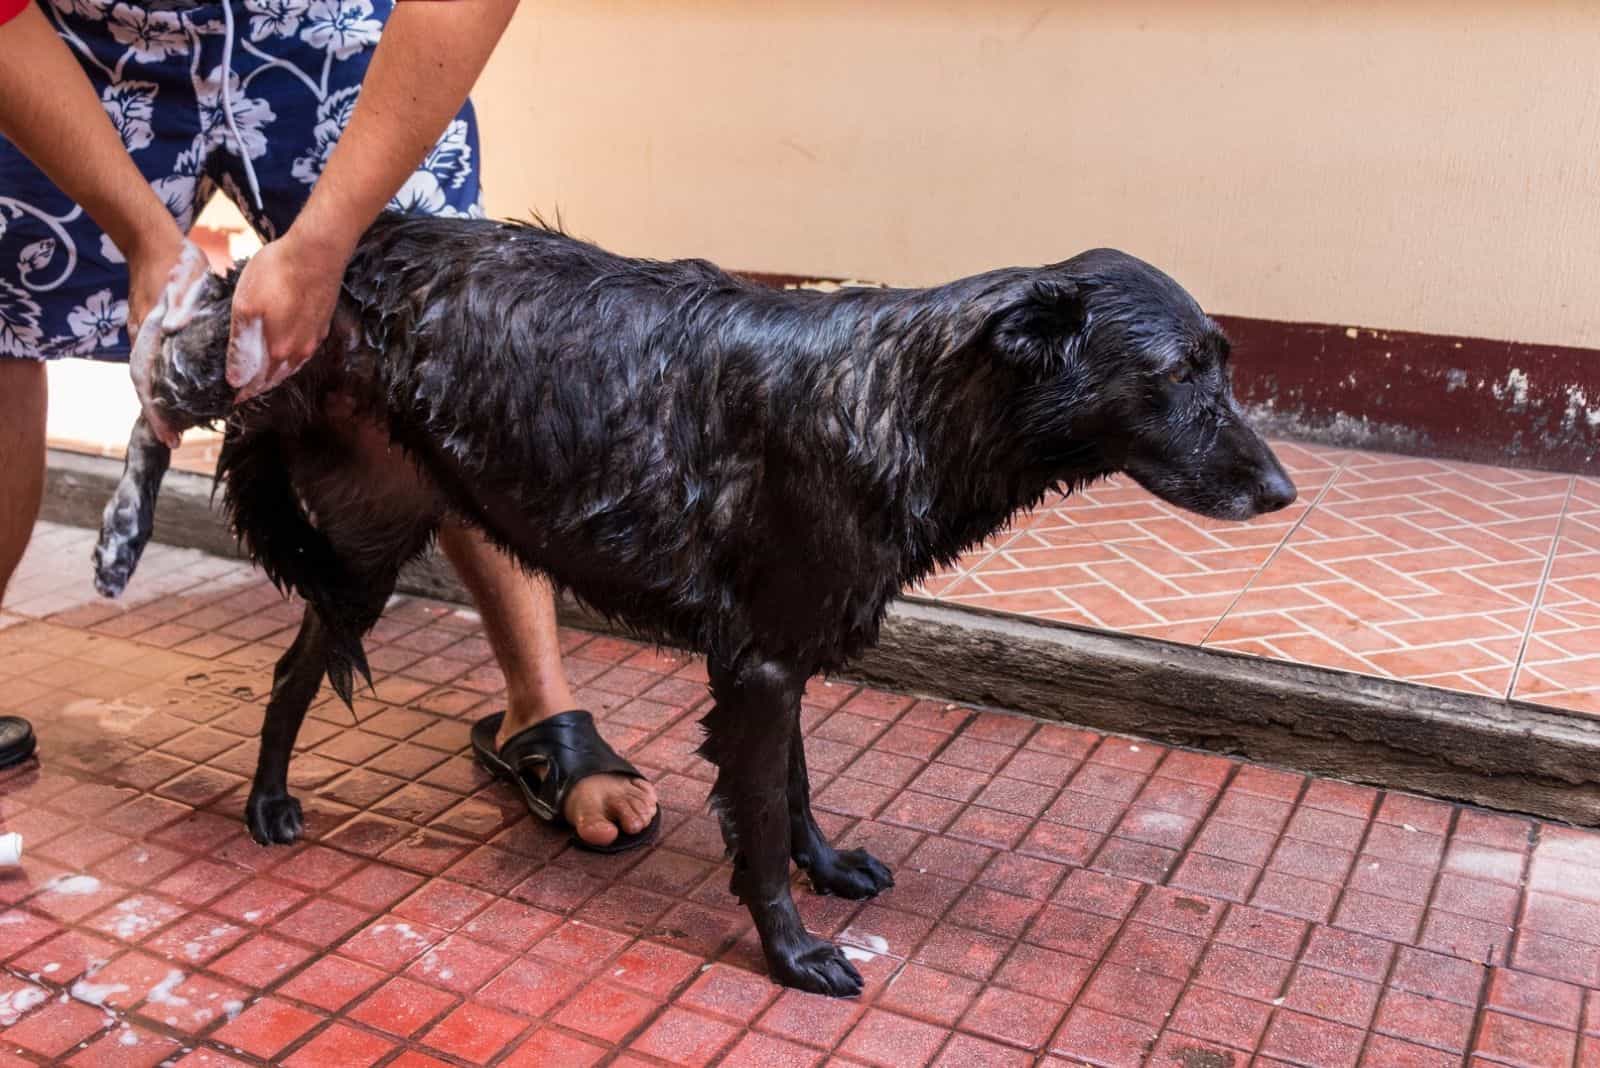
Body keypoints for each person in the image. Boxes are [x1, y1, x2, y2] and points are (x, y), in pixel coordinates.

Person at [0, 0, 659, 851]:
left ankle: (539, 703)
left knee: (443, 327)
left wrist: (324, 243)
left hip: (326, 17)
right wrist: (142, 235)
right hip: (70, 34)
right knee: (3, 321)